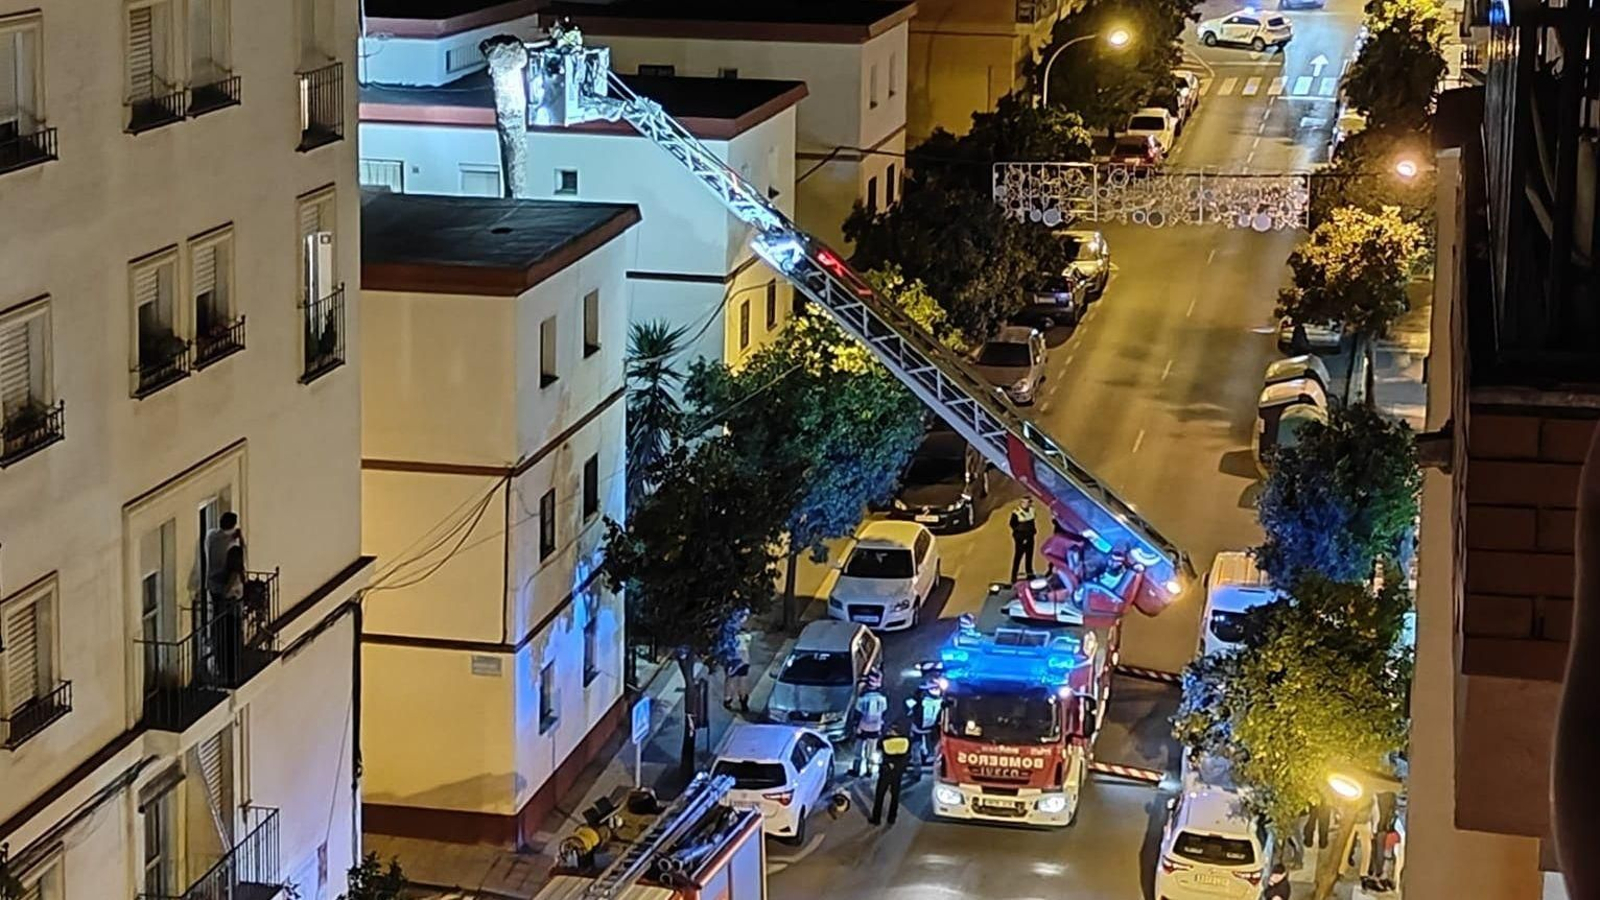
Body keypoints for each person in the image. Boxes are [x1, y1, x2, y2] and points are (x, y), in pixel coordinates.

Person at [869, 720, 912, 826]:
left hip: (886, 770)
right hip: (898, 771)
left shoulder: (885, 741)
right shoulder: (906, 741)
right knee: (895, 795)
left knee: (880, 795)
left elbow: (878, 750)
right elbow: (907, 756)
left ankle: (876, 818)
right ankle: (892, 818)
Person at [853, 669, 888, 777]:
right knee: (871, 752)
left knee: (858, 751)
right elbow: (884, 712)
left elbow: (858, 712)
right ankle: (869, 771)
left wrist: (856, 725)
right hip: (875, 728)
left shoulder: (863, 697)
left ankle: (856, 770)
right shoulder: (882, 698)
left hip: (862, 727)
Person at [722, 622, 752, 713]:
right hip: (744, 659)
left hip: (732, 658)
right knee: (742, 680)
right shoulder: (746, 636)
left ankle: (728, 699)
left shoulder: (729, 635)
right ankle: (743, 701)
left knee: (730, 679)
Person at [1009, 498, 1038, 582]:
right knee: (1018, 557)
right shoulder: (1016, 513)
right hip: (1021, 538)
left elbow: (1032, 522)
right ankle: (1014, 576)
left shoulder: (1032, 510)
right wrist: (1021, 536)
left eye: (1029, 502)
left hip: (1030, 537)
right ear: (1022, 503)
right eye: (1026, 502)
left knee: (1029, 556)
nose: (1028, 504)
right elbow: (1013, 525)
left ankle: (1029, 574)